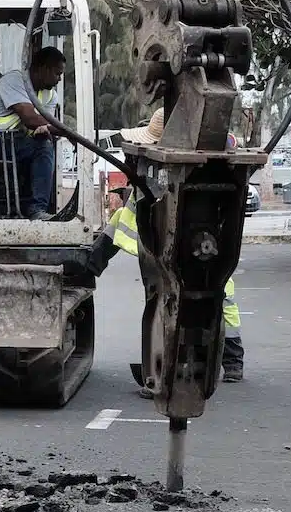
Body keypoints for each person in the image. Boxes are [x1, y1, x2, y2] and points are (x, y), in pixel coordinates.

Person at [95, 110, 245, 385]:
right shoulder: (163, 170)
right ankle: (219, 360)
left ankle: (228, 359)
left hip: (192, 239)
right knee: (191, 296)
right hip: (181, 240)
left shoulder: (189, 166)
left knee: (207, 296)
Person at [0, 44, 66, 219]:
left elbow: (43, 125)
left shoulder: (50, 95)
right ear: (43, 69)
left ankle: (37, 210)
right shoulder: (13, 81)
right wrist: (67, 132)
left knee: (44, 148)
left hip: (11, 141)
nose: (59, 79)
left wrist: (42, 133)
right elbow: (30, 118)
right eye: (57, 73)